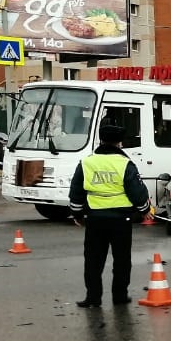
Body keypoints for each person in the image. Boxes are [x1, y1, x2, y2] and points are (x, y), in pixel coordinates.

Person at [67, 124, 151, 308]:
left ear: (101, 140)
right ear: (119, 143)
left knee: (93, 261)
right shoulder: (125, 164)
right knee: (121, 260)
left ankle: (93, 298)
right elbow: (137, 193)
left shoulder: (87, 162)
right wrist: (145, 210)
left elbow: (76, 192)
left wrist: (77, 214)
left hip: (95, 220)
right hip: (121, 220)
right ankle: (120, 296)